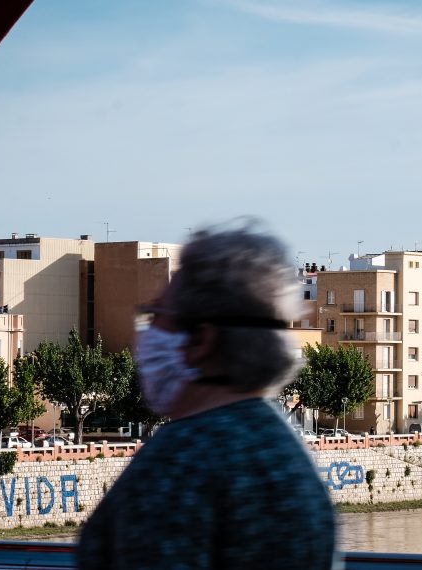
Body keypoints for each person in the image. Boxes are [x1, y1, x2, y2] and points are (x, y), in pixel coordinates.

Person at [77, 223, 338, 569]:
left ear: (201, 340)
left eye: (155, 317)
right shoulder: (287, 452)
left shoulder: (180, 461)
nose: (145, 335)